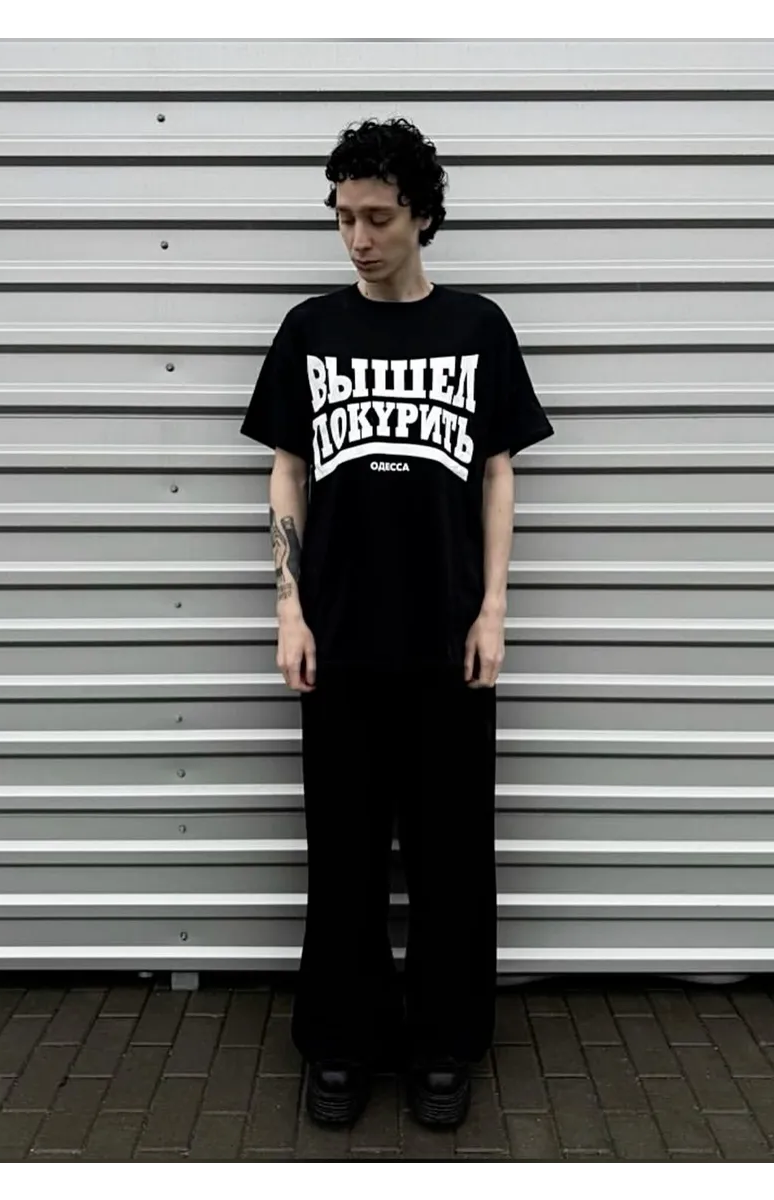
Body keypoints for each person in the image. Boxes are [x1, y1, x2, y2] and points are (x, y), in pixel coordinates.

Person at [241, 117, 554, 1130]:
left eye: (377, 217)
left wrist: (494, 608)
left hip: (448, 640)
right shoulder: (309, 330)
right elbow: (286, 471)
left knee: (451, 854)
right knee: (342, 854)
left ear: (422, 215)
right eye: (343, 218)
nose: (358, 238)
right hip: (337, 639)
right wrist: (288, 607)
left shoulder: (478, 328)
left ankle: (443, 1045)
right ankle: (341, 1043)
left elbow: (498, 475)